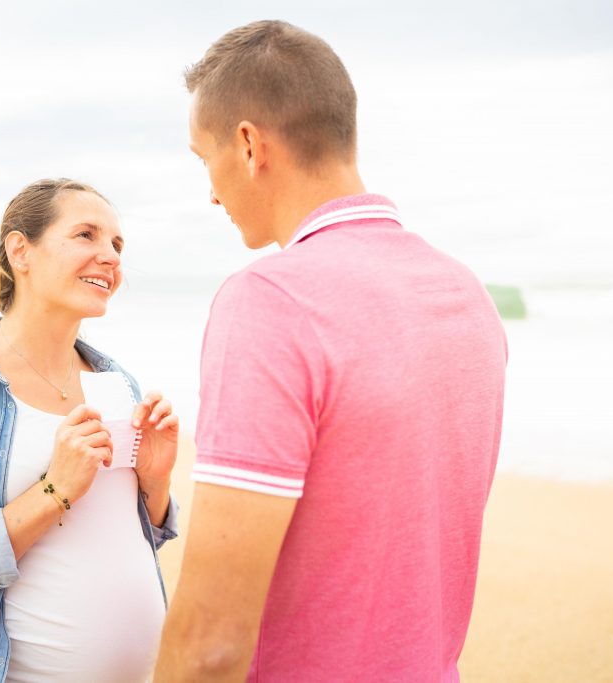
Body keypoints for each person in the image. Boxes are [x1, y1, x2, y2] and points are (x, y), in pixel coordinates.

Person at [154, 20, 507, 682]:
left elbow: (210, 642)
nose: (209, 191)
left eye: (205, 160)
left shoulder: (271, 302)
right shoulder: (466, 295)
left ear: (250, 145)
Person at [0, 178, 180, 683]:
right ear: (20, 251)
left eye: (117, 244)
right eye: (86, 235)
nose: (110, 256)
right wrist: (52, 491)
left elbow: (123, 539)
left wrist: (155, 482)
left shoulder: (118, 383)